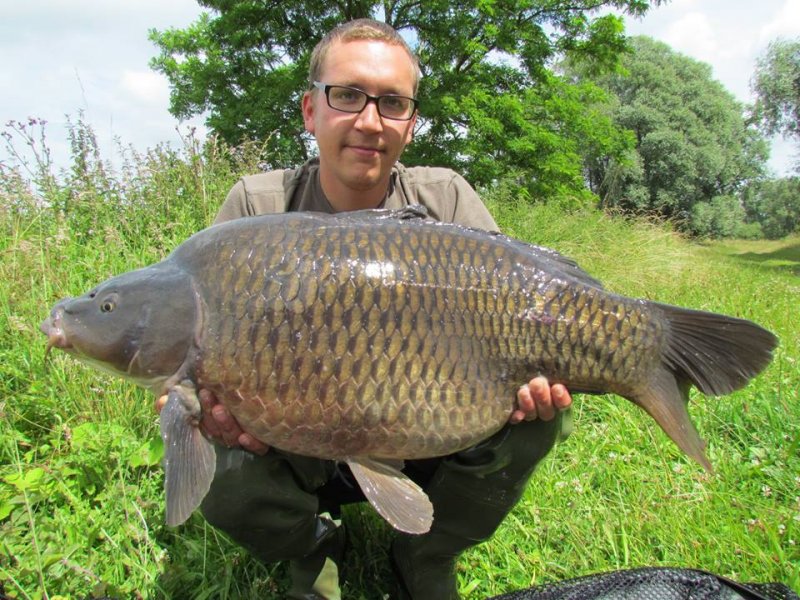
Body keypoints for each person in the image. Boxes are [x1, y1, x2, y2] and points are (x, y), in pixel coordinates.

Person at [163, 18, 573, 600]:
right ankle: (311, 547)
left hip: (428, 429)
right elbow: (196, 348)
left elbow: (519, 311)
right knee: (211, 443)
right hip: (293, 439)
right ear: (311, 110)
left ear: (411, 122)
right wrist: (203, 406)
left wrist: (533, 376)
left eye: (393, 103)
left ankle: (427, 551)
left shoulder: (446, 200)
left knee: (536, 420)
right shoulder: (256, 209)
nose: (370, 121)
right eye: (348, 95)